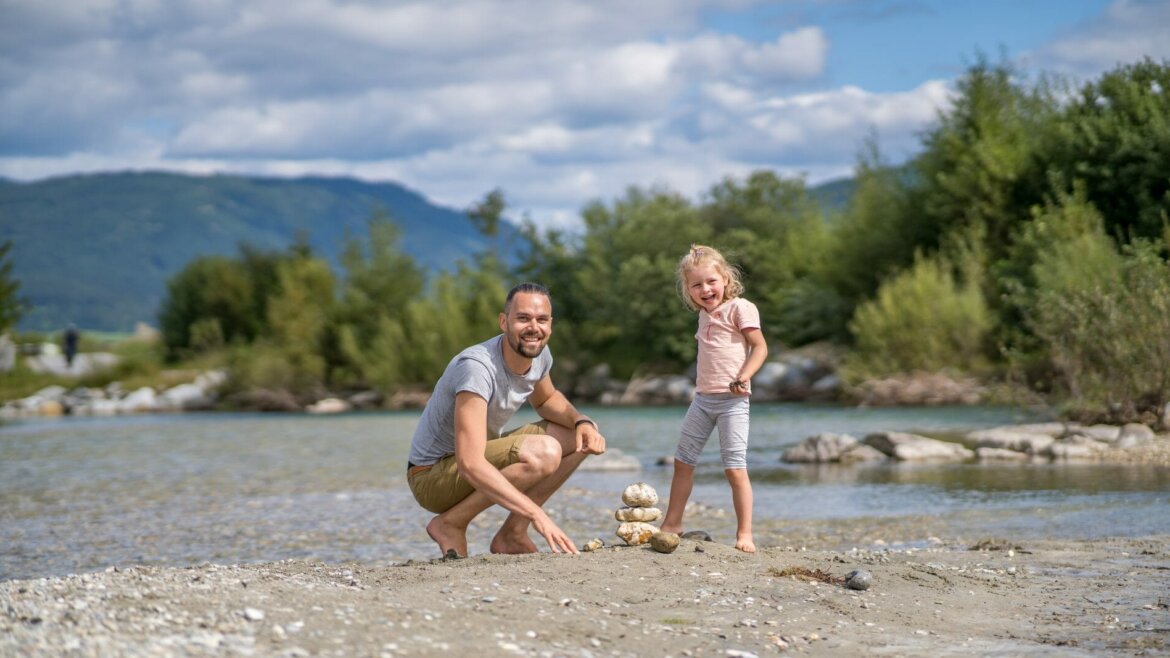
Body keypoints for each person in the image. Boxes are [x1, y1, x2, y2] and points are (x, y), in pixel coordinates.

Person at [406, 282, 607, 558]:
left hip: (470, 460)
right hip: (431, 476)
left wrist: (581, 421)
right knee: (544, 453)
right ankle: (451, 523)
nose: (533, 328)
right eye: (523, 318)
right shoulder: (476, 368)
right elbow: (470, 464)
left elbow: (547, 402)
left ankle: (512, 534)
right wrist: (536, 513)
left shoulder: (538, 353)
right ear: (504, 322)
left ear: (551, 324)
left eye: (541, 320)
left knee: (578, 434)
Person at [660, 245, 768, 553]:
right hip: (702, 400)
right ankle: (673, 522)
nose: (705, 289)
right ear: (688, 290)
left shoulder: (740, 308)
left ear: (725, 278)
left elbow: (760, 348)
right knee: (683, 462)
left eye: (711, 281)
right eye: (696, 285)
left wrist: (745, 375)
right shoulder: (704, 316)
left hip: (733, 401)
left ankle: (745, 534)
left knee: (734, 467)